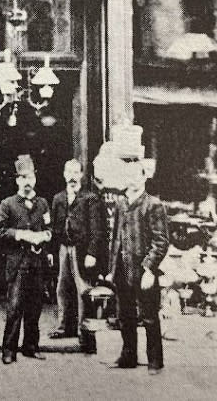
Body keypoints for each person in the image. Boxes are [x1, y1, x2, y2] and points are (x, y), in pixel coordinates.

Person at [107, 157, 169, 375]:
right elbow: (115, 237)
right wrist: (111, 270)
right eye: (129, 175)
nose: (132, 179)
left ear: (144, 177)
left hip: (143, 270)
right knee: (125, 315)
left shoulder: (153, 204)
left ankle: (155, 361)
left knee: (149, 315)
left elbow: (161, 241)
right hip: (122, 269)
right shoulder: (120, 203)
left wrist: (150, 269)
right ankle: (128, 356)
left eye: (137, 175)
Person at [0, 154, 52, 365]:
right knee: (15, 307)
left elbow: (49, 229)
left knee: (35, 308)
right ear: (17, 180)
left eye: (31, 177)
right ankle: (9, 351)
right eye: (23, 177)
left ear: (35, 179)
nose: (27, 182)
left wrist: (44, 237)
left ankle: (31, 347)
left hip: (37, 263)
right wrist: (21, 235)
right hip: (17, 264)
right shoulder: (7, 204)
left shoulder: (43, 203)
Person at [49, 158, 105, 342]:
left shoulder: (90, 198)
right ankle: (64, 326)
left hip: (82, 250)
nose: (72, 176)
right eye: (68, 172)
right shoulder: (58, 198)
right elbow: (54, 227)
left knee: (83, 289)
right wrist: (51, 250)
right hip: (64, 248)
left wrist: (92, 253)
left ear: (81, 175)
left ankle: (83, 331)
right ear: (64, 174)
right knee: (62, 288)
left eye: (75, 172)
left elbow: (97, 230)